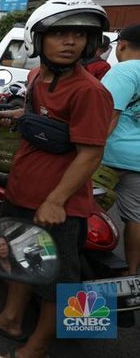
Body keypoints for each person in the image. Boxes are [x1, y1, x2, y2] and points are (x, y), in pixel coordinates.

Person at [0, 0, 113, 358]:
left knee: (56, 278)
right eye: (60, 33)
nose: (70, 41)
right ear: (38, 39)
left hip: (57, 205)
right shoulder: (35, 77)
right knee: (18, 258)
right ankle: (11, 318)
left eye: (79, 35)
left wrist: (56, 200)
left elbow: (91, 153)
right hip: (22, 191)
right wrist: (19, 115)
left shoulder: (90, 92)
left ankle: (37, 346)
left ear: (90, 43)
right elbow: (42, 113)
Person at [101, 24, 140, 276]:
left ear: (122, 45)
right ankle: (132, 273)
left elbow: (107, 116)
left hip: (109, 156)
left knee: (83, 210)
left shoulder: (124, 70)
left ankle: (77, 261)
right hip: (138, 162)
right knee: (136, 217)